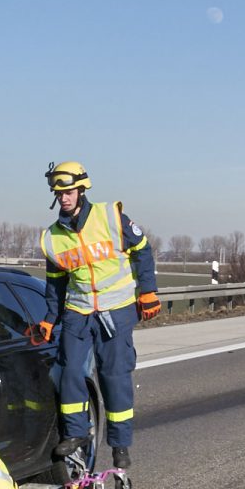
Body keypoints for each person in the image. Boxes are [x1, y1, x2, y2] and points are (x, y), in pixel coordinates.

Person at [33, 161, 160, 470]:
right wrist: (51, 318)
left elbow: (142, 250)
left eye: (68, 192)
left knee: (113, 377)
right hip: (78, 312)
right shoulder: (52, 237)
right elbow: (56, 283)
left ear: (82, 190)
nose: (63, 198)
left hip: (116, 311)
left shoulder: (110, 217)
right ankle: (76, 433)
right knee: (70, 371)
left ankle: (119, 444)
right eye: (58, 193)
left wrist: (148, 291)